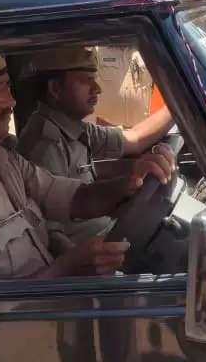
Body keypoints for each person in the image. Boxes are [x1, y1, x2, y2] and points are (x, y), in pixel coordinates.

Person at [0, 55, 173, 283]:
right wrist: (69, 266)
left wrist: (127, 184)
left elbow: (70, 198)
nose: (10, 101)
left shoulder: (2, 158)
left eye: (7, 88)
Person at [17, 47, 175, 252]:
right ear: (55, 89)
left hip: (108, 234)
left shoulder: (75, 127)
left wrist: (178, 103)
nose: (97, 89)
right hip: (96, 252)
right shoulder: (45, 144)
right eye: (86, 80)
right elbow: (50, 232)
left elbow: (134, 139)